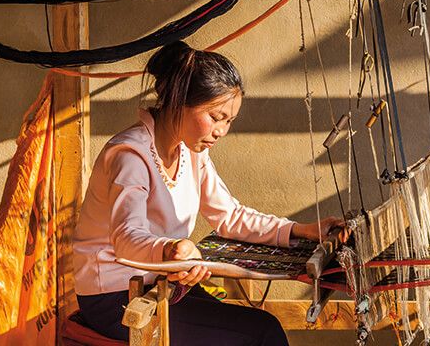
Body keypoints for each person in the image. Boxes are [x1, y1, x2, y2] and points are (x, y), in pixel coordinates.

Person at [71, 41, 341, 345]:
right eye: (216, 117)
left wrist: (301, 230)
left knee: (250, 329)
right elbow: (127, 236)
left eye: (229, 121)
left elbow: (229, 216)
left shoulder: (191, 152)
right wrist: (173, 248)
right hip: (113, 296)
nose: (222, 130)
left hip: (162, 283)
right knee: (264, 332)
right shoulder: (130, 155)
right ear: (178, 102)